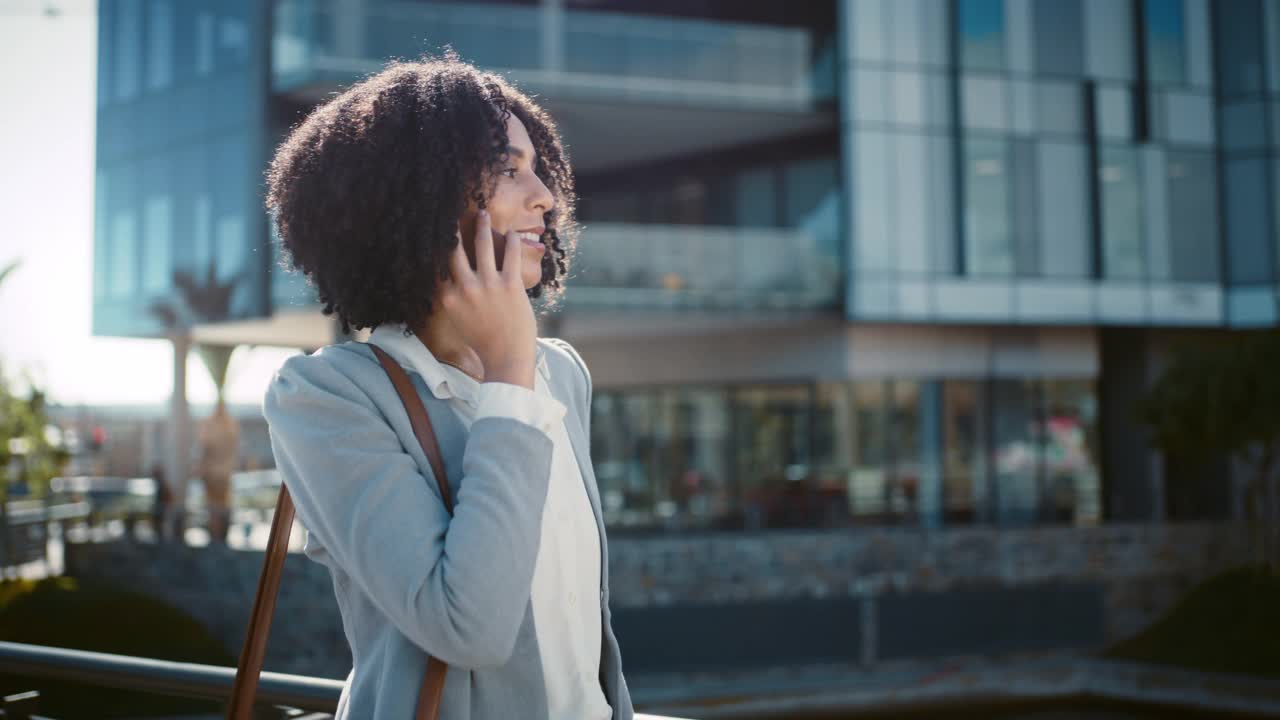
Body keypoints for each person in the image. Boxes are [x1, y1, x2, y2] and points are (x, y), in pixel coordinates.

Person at [260, 52, 632, 719]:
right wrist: (510, 376)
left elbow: (582, 636)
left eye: (538, 167)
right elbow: (470, 628)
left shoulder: (563, 374)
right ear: (415, 195)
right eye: (508, 170)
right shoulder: (326, 399)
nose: (544, 195)